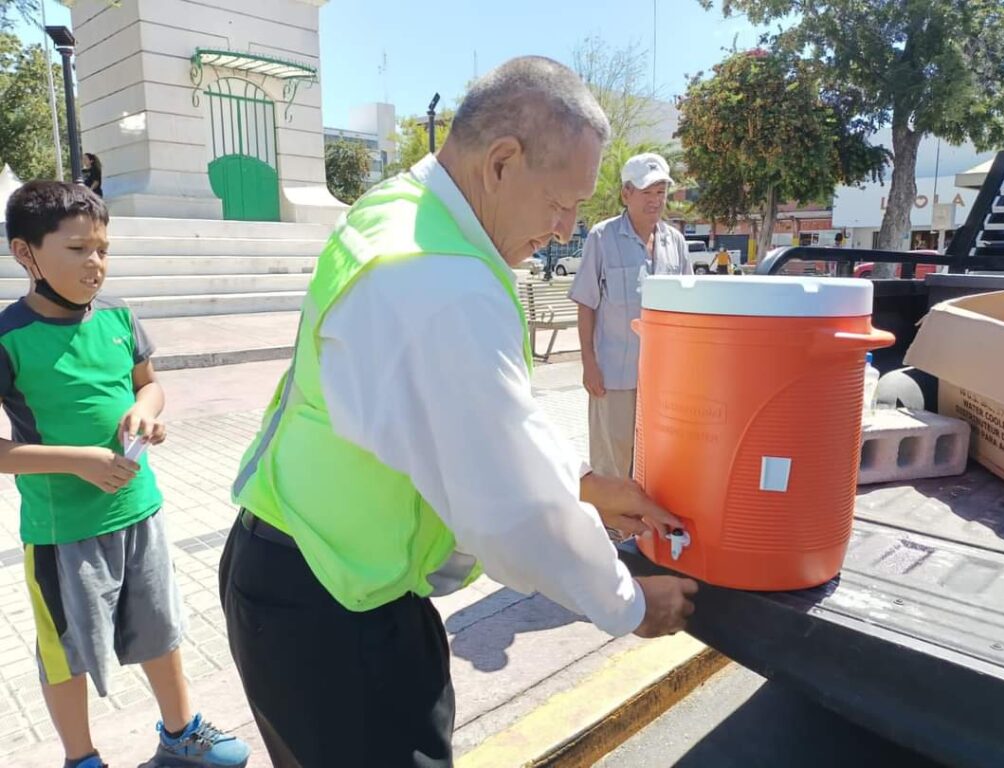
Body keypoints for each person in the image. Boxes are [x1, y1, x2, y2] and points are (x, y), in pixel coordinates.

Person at [219, 57, 698, 768]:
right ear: (502, 162)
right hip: (329, 608)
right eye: (562, 202)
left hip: (314, 575)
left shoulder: (402, 213)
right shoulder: (437, 280)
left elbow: (470, 422)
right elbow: (509, 509)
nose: (566, 229)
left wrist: (588, 486)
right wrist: (628, 604)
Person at [1, 182, 249, 768]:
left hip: (140, 509)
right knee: (65, 655)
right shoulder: (8, 337)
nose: (95, 264)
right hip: (63, 530)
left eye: (103, 249)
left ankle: (181, 733)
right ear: (25, 253)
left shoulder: (119, 318)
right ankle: (81, 757)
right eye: (78, 249)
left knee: (161, 631)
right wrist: (77, 459)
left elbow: (149, 384)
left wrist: (148, 411)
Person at [569, 152, 692, 481]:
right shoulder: (602, 237)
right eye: (647, 192)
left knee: (656, 460)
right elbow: (586, 302)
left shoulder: (676, 243)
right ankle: (609, 529)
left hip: (664, 379)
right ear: (626, 194)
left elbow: (689, 307)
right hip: (614, 375)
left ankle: (644, 530)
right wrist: (589, 363)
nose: (655, 201)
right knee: (613, 459)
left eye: (661, 192)